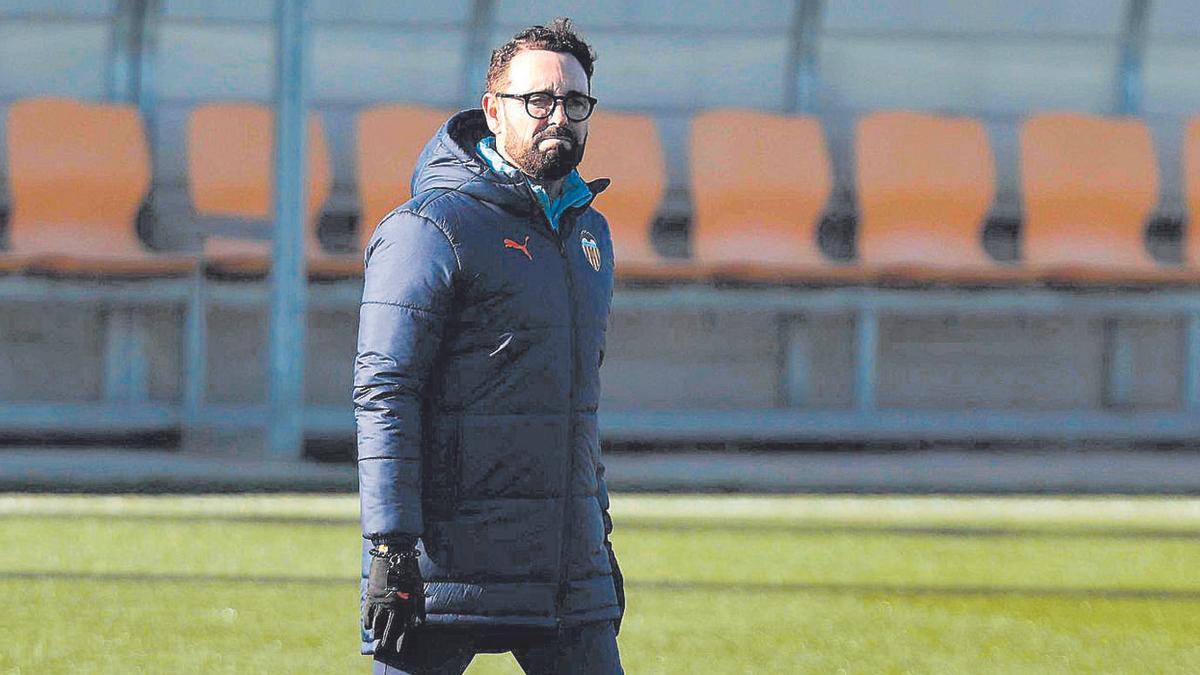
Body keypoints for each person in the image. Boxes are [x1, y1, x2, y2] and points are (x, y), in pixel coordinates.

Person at [354, 18, 624, 675]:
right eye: (539, 100)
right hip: (446, 569)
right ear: (492, 110)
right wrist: (390, 549)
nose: (558, 115)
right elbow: (386, 391)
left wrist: (600, 536)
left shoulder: (591, 235)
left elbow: (576, 407)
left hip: (565, 574)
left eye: (575, 103)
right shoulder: (431, 228)